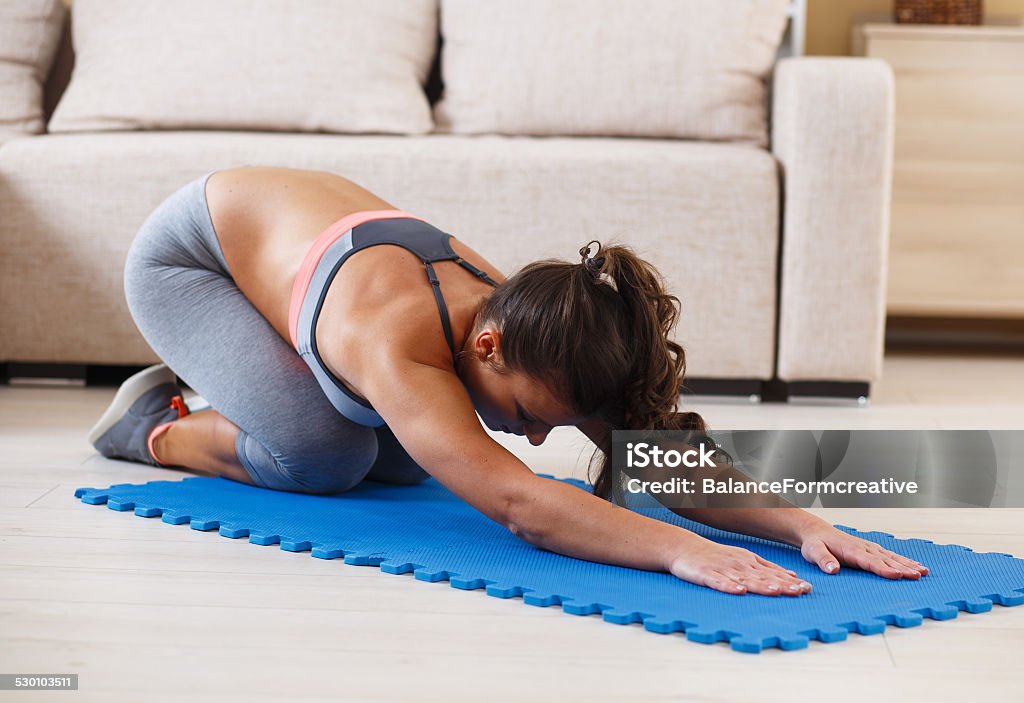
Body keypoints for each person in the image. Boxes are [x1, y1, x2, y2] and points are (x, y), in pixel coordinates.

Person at [89, 167, 928, 596]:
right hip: (191, 264)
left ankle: (245, 382)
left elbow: (641, 447)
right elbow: (523, 504)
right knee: (327, 455)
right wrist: (685, 550)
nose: (530, 437)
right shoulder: (397, 334)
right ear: (486, 343)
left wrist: (797, 525)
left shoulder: (535, 327)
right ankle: (155, 420)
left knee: (418, 455)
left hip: (289, 267)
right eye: (529, 416)